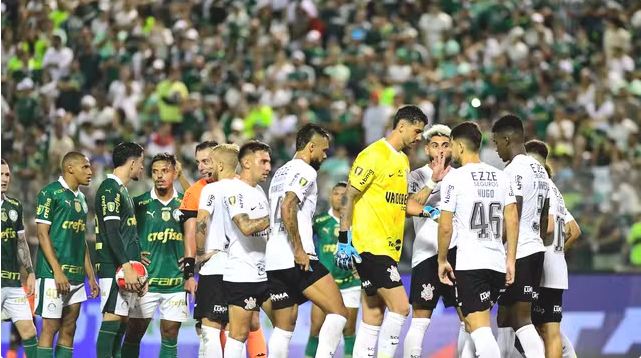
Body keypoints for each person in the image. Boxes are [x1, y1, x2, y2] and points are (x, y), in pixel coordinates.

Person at [335, 105, 428, 358]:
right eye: (417, 131)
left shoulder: (403, 160)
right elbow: (349, 196)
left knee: (374, 313)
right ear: (401, 126)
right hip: (370, 246)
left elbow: (400, 202)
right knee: (400, 307)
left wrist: (428, 211)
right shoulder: (373, 154)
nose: (419, 137)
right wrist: (344, 239)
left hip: (389, 248)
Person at [437, 121, 519, 358]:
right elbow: (512, 219)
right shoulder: (501, 177)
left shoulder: (454, 178)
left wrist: (442, 259)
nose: (450, 151)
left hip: (470, 263)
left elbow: (445, 227)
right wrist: (510, 259)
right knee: (474, 326)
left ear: (460, 147)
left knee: (480, 330)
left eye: (450, 145)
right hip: (496, 262)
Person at [267, 124, 348, 358]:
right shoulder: (306, 170)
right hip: (297, 257)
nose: (325, 156)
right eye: (323, 150)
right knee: (338, 312)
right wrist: (300, 249)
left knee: (284, 329)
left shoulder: (280, 172)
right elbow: (287, 205)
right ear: (311, 147)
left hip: (274, 259)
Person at [404, 125, 471, 358]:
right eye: (435, 145)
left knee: (469, 320)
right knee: (420, 321)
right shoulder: (416, 176)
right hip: (426, 254)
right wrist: (433, 180)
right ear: (427, 149)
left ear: (452, 147)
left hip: (457, 253)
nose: (441, 150)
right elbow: (407, 207)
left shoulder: (462, 176)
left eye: (445, 145)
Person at [492, 114, 549, 358]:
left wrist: (496, 246)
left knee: (520, 318)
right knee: (504, 315)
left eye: (496, 143)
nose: (496, 150)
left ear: (507, 139)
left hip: (520, 252)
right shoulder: (539, 169)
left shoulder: (514, 170)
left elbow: (512, 214)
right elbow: (545, 216)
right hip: (533, 247)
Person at [121, 153, 188, 358]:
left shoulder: (186, 205)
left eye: (165, 171)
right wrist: (134, 253)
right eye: (155, 171)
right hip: (145, 281)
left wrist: (191, 257)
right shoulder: (138, 204)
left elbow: (198, 234)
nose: (159, 176)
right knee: (134, 332)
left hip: (176, 281)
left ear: (175, 173)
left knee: (170, 334)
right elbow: (121, 235)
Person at [196, 143, 259, 358]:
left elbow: (201, 221)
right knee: (236, 333)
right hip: (242, 269)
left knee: (210, 330)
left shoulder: (211, 189)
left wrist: (199, 252)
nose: (208, 166)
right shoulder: (249, 188)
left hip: (215, 266)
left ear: (220, 164)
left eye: (211, 161)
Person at [34, 152, 99, 358]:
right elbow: (42, 235)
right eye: (85, 167)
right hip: (53, 275)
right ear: (70, 168)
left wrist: (91, 276)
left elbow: (81, 241)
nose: (90, 172)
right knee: (50, 328)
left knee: (69, 329)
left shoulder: (82, 199)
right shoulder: (50, 193)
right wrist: (57, 272)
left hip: (77, 277)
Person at [526, 140, 581, 358]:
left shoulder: (539, 186)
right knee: (549, 329)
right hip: (557, 267)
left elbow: (547, 225)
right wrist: (558, 251)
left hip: (541, 268)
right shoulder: (554, 188)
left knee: (533, 326)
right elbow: (574, 230)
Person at [220, 140, 274, 358]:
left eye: (269, 162)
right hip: (242, 274)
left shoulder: (260, 190)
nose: (268, 167)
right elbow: (245, 227)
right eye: (263, 162)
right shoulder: (235, 190)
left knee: (284, 322)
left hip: (266, 273)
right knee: (239, 334)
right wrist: (277, 217)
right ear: (246, 163)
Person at [94, 142, 147, 358]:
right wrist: (127, 266)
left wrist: (136, 259)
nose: (142, 168)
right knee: (113, 319)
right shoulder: (110, 189)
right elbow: (111, 233)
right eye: (141, 163)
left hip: (125, 266)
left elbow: (125, 233)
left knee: (121, 323)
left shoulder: (122, 191)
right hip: (114, 267)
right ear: (132, 163)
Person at [304, 182, 361, 358]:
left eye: (344, 194)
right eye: (336, 193)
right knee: (315, 329)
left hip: (350, 283)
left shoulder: (357, 222)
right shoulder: (319, 221)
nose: (340, 197)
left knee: (349, 330)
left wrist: (362, 266)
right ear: (330, 196)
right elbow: (302, 238)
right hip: (325, 285)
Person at [0, 159, 38, 358]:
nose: (4, 179)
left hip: (13, 281)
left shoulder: (14, 207)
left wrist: (30, 272)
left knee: (30, 332)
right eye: (1, 174)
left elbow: (22, 243)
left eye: (7, 174)